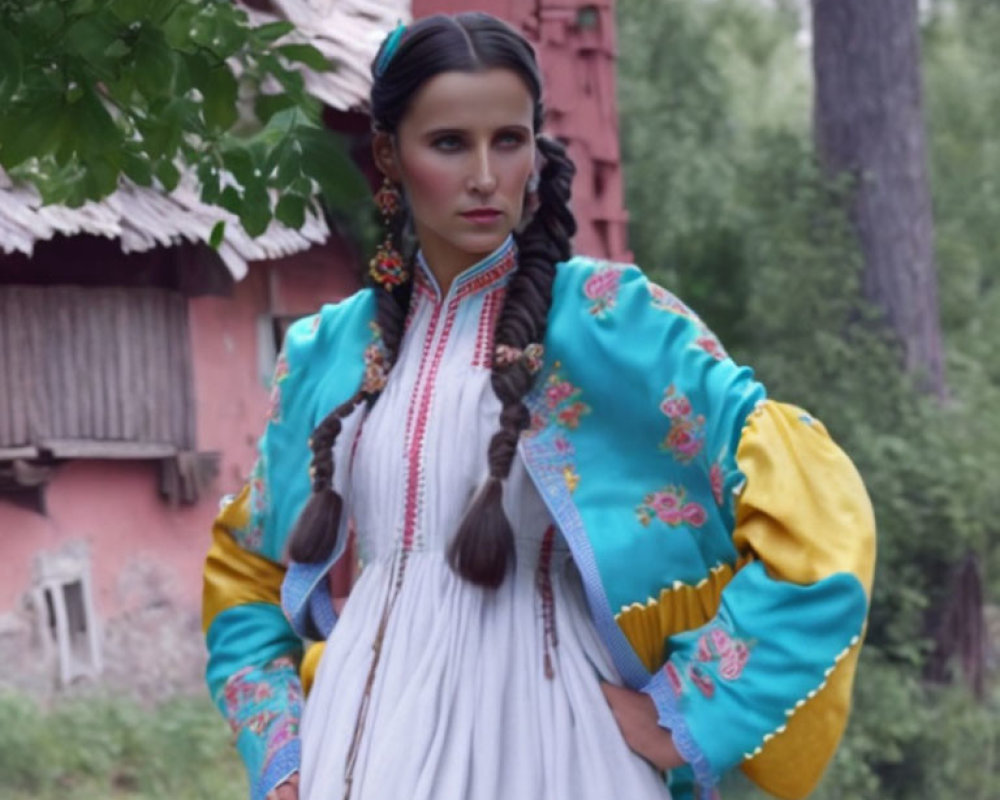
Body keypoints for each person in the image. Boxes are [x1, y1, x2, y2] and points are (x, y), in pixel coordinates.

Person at [202, 12, 876, 800]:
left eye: (509, 140)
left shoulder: (611, 321)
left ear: (535, 146)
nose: (486, 175)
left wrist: (691, 710)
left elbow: (820, 520)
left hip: (556, 748)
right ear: (389, 153)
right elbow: (247, 572)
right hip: (358, 749)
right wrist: (281, 755)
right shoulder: (329, 353)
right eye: (449, 143)